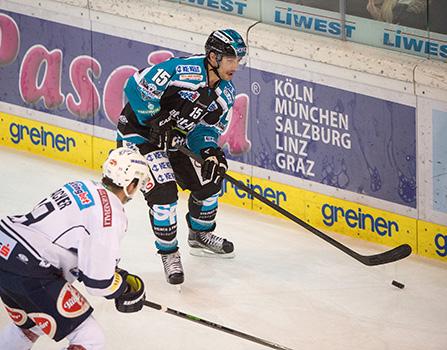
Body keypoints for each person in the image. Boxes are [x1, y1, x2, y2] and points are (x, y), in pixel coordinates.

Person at [116, 29, 247, 285]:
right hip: (140, 136)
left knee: (210, 182)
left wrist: (210, 150)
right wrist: (155, 121)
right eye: (230, 60)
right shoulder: (181, 71)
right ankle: (169, 253)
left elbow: (207, 128)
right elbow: (135, 86)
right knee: (164, 195)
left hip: (177, 139)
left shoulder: (225, 94)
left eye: (238, 60)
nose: (235, 66)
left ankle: (199, 235)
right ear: (213, 57)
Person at [0, 147, 149, 349]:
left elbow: (70, 245)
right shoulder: (111, 213)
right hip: (30, 267)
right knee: (90, 339)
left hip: (6, 246)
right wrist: (122, 288)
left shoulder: (81, 185)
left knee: (30, 326)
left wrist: (113, 277)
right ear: (131, 185)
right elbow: (97, 283)